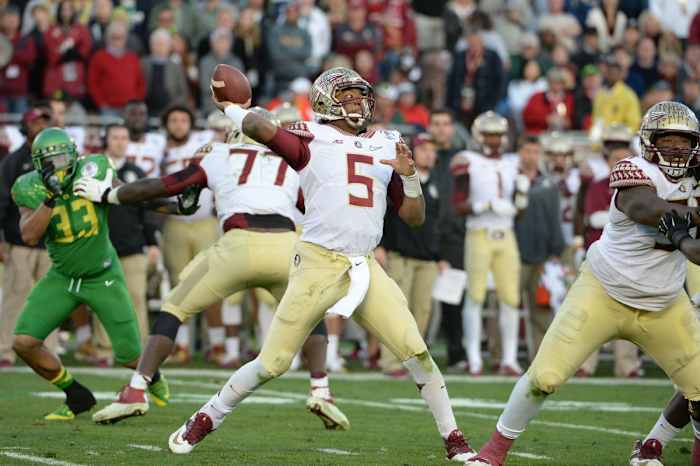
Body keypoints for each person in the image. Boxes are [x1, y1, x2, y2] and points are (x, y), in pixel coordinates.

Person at [138, 67, 472, 459]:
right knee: (273, 362)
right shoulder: (311, 137)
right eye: (347, 96)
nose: (358, 103)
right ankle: (209, 415)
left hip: (364, 265)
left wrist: (410, 176)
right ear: (325, 101)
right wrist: (231, 108)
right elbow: (264, 130)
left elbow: (414, 217)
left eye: (360, 96)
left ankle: (454, 440)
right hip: (317, 262)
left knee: (417, 352)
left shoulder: (388, 142)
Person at [77, 107, 350, 432]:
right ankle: (321, 389)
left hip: (238, 244)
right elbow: (318, 205)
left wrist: (109, 194)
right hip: (285, 246)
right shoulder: (291, 162)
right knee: (311, 313)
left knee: (174, 308)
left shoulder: (220, 154)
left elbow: (165, 186)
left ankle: (136, 389)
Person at [465, 101, 700, 466]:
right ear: (649, 142)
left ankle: (655, 445)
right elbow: (646, 207)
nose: (676, 149)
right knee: (544, 376)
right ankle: (491, 453)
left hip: (665, 301)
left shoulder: (696, 180)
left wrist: (686, 234)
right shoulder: (633, 170)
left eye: (684, 142)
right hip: (604, 290)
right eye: (667, 140)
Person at [10, 127, 172, 420]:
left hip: (102, 276)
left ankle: (155, 377)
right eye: (51, 161)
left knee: (130, 356)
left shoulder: (93, 168)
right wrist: (50, 199)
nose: (59, 165)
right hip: (62, 277)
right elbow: (30, 235)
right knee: (23, 342)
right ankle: (76, 394)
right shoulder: (29, 187)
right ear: (38, 164)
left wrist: (171, 205)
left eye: (62, 158)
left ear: (74, 155)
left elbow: (130, 194)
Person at [451, 111, 529, 376]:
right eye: (489, 135)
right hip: (479, 232)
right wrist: (481, 205)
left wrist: (519, 200)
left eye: (497, 135)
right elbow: (458, 205)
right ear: (478, 135)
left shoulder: (512, 162)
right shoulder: (467, 160)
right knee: (475, 296)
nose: (494, 140)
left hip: (505, 234)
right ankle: (474, 357)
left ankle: (509, 358)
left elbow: (520, 208)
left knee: (510, 298)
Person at [377, 133, 445, 377]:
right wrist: (381, 245)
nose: (428, 153)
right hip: (401, 253)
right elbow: (384, 211)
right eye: (423, 149)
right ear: (413, 153)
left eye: (431, 149)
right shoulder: (400, 178)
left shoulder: (439, 181)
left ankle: (414, 362)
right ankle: (390, 362)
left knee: (422, 312)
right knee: (396, 309)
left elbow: (440, 223)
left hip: (427, 258)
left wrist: (440, 256)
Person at [577, 123, 642, 378]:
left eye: (625, 159)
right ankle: (584, 364)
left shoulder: (642, 189)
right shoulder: (597, 186)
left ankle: (627, 366)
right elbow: (592, 219)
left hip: (630, 258)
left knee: (628, 313)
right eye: (616, 159)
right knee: (590, 311)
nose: (621, 163)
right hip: (602, 256)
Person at [91, 123, 159, 362]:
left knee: (136, 298)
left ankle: (138, 351)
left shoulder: (136, 172)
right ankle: (104, 350)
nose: (119, 141)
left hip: (132, 246)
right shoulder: (93, 171)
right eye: (115, 137)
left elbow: (147, 210)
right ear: (106, 140)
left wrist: (152, 243)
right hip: (100, 247)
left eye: (123, 137)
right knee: (103, 300)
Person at [0, 108, 52, 367]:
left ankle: (49, 352)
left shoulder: (58, 159)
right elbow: (1, 200)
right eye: (35, 122)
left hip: (53, 243)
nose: (40, 126)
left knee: (53, 300)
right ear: (24, 126)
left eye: (45, 121)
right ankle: (5, 350)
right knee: (15, 295)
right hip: (19, 240)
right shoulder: (12, 161)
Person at [513, 135, 565, 360]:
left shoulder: (548, 184)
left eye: (535, 151)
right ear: (519, 153)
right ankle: (500, 358)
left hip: (542, 255)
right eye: (527, 151)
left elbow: (555, 218)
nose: (531, 156)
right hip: (513, 253)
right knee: (507, 307)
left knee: (541, 312)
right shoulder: (508, 178)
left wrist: (556, 250)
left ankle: (542, 359)